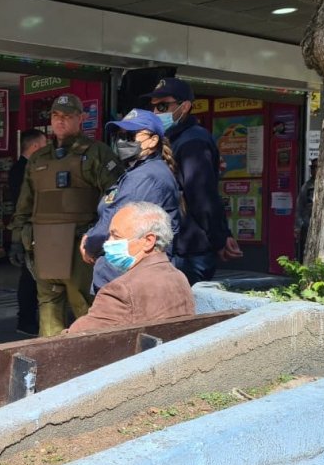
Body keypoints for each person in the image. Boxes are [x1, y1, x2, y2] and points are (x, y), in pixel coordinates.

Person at [9, 94, 124, 336]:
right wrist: (17, 239)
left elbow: (116, 198)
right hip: (44, 242)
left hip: (79, 244)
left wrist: (101, 236)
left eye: (67, 116)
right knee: (49, 309)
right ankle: (52, 361)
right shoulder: (39, 158)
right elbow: (26, 202)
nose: (60, 121)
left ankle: (97, 361)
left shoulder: (96, 153)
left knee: (85, 307)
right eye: (56, 116)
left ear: (80, 119)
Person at [146, 78, 242, 284]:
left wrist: (220, 238)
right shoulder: (166, 139)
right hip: (170, 245)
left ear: (185, 106)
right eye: (153, 107)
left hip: (188, 251)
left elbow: (202, 196)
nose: (156, 113)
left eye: (163, 106)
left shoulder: (193, 141)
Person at [80, 109, 182, 292]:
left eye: (130, 135)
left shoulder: (146, 177)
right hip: (125, 277)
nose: (122, 141)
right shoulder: (139, 172)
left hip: (130, 280)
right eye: (119, 135)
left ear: (153, 140)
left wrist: (90, 243)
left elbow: (117, 220)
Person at [67, 202, 195, 334]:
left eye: (116, 236)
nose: (108, 242)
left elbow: (73, 339)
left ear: (148, 241)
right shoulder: (178, 276)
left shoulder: (121, 291)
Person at [9, 129, 47, 335]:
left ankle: (27, 318)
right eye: (43, 144)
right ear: (34, 147)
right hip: (29, 230)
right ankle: (26, 319)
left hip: (30, 229)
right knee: (30, 277)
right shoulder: (23, 170)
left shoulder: (20, 168)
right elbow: (23, 204)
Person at [295, 158, 317, 262]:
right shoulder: (307, 186)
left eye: (316, 167)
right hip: (308, 225)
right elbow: (299, 207)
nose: (314, 170)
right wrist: (299, 226)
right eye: (312, 168)